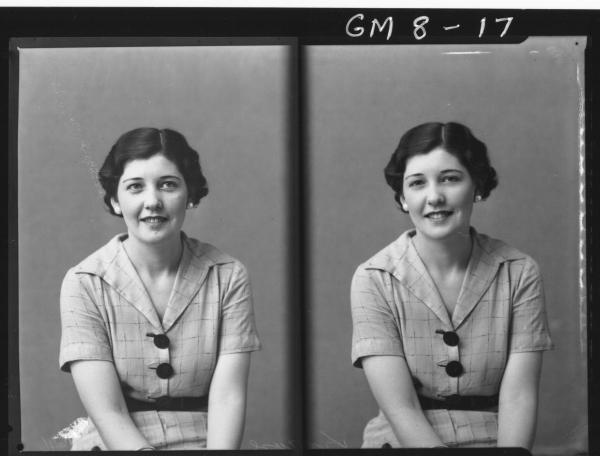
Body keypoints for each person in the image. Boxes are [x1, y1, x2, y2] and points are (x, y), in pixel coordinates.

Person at [350, 122, 553, 449]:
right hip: (402, 443)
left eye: (450, 178)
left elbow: (518, 397)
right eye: (417, 183)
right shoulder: (374, 278)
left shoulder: (519, 272)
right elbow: (401, 408)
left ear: (477, 186)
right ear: (402, 198)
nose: (434, 197)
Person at [59, 127, 260, 450]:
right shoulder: (84, 282)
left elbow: (227, 398)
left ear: (190, 194)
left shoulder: (228, 275)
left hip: (206, 442)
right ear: (114, 200)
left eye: (168, 185)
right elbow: (107, 412)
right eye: (135, 187)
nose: (152, 201)